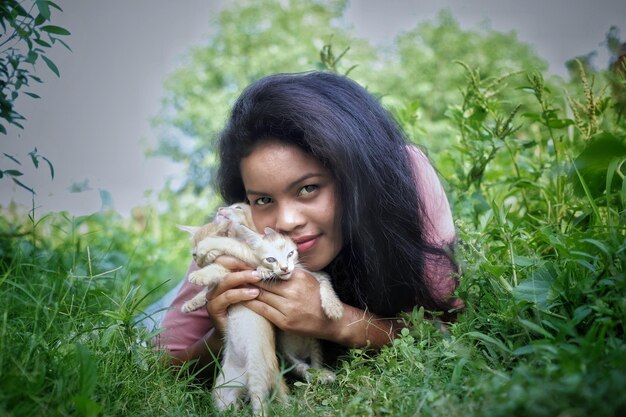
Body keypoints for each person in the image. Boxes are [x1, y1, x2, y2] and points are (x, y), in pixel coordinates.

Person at [152, 71, 463, 371]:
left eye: (308, 188)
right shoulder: (238, 228)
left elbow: (447, 324)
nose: (286, 221)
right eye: (263, 199)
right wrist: (223, 338)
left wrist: (339, 322)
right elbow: (163, 360)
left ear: (352, 178)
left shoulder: (403, 178)